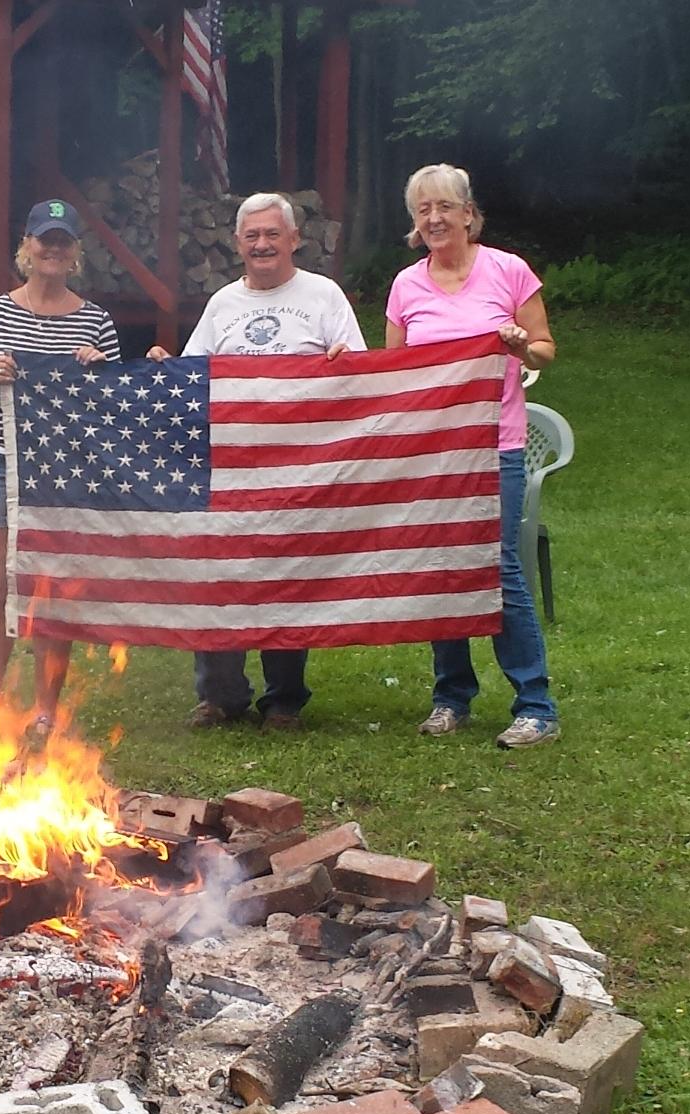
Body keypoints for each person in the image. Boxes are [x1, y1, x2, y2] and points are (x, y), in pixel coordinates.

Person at [148, 191, 367, 731]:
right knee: (220, 575)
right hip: (228, 468)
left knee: (285, 576)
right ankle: (221, 695)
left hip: (299, 470)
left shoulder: (323, 295)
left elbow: (362, 374)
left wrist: (342, 364)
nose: (263, 244)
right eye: (252, 236)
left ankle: (284, 699)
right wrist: (164, 368)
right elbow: (192, 377)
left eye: (273, 234)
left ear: (294, 239)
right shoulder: (222, 303)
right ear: (237, 243)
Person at [385, 164, 561, 749]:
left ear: (467, 212)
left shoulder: (508, 270)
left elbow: (545, 350)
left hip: (497, 447)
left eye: (443, 207)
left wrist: (520, 345)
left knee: (499, 569)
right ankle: (451, 697)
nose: (433, 219)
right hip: (435, 453)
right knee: (443, 572)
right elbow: (396, 374)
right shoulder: (406, 285)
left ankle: (535, 704)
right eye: (422, 211)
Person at [0, 199, 120, 751]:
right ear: (25, 246)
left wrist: (99, 372)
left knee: (51, 589)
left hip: (64, 471)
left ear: (76, 253)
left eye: (63, 240)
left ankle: (46, 711)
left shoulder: (95, 320)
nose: (53, 248)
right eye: (43, 239)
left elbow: (116, 408)